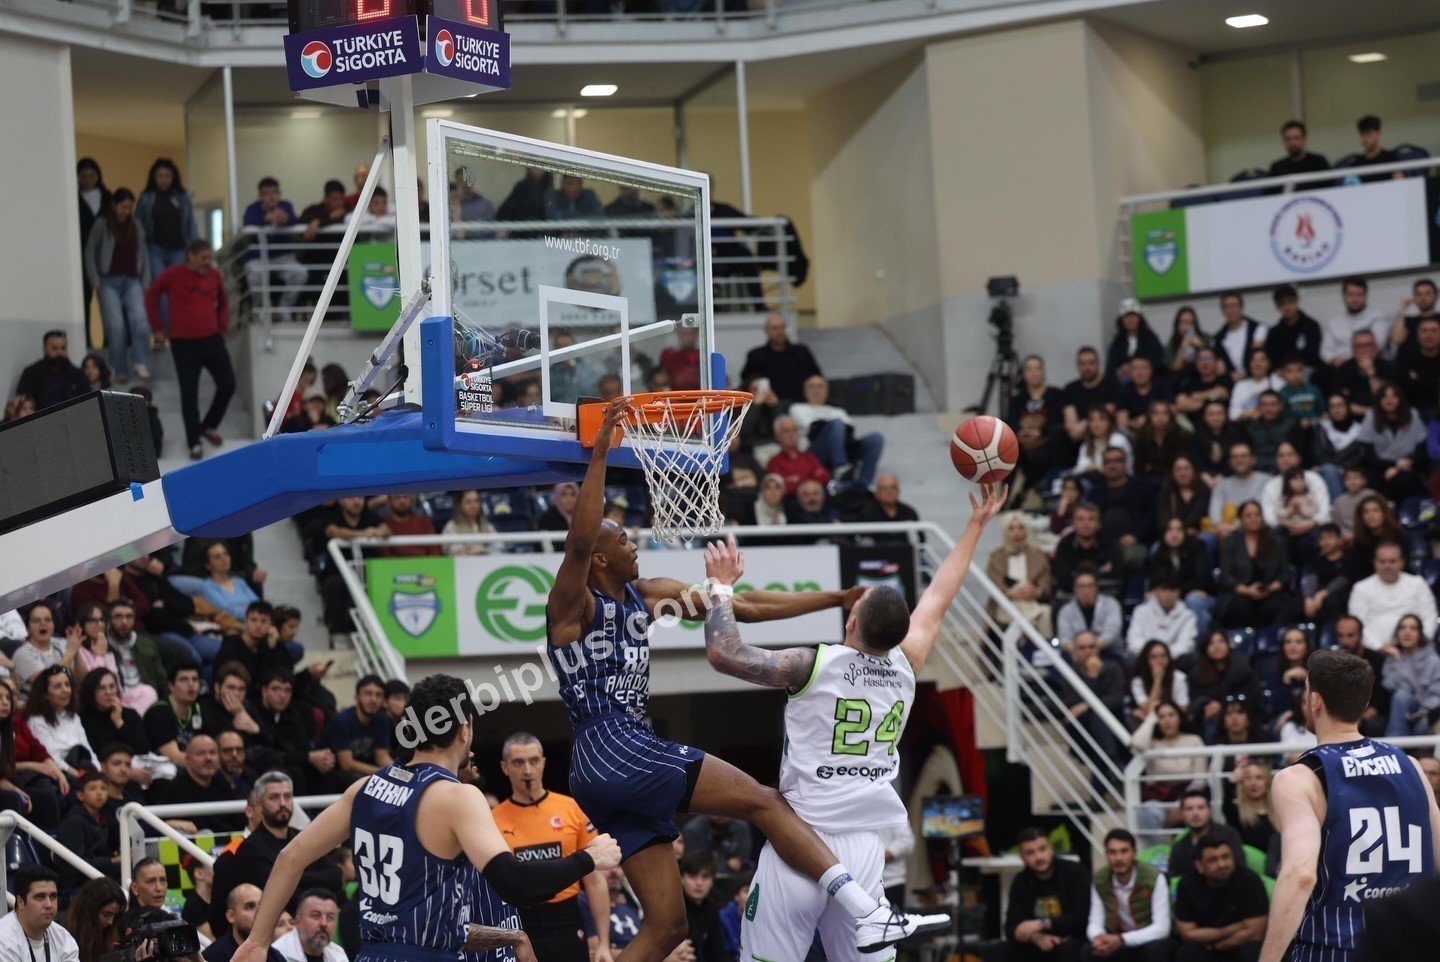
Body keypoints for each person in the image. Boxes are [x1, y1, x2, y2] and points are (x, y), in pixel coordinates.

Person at [546, 402, 946, 962]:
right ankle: (868, 911)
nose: (633, 540)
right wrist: (600, 456)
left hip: (613, 765)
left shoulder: (647, 593)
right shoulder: (572, 605)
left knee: (666, 928)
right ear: (600, 560)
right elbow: (579, 543)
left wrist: (831, 599)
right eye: (623, 538)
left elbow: (744, 608)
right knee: (767, 802)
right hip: (613, 745)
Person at [704, 483, 1002, 962]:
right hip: (863, 850)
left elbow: (725, 653)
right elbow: (941, 594)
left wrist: (721, 587)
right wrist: (974, 527)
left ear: (851, 621)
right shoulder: (909, 663)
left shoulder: (814, 663)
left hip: (798, 839)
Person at [231, 675, 621, 962]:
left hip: (372, 954)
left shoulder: (364, 787)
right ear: (465, 731)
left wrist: (256, 942)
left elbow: (290, 858)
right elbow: (517, 884)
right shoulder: (457, 796)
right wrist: (590, 858)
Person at [1257, 649, 1440, 962]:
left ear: (1315, 701)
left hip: (1336, 949)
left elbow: (1300, 875)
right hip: (1410, 946)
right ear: (1364, 703)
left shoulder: (1299, 778)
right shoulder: (1411, 766)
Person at [490, 732, 611, 962]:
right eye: (518, 762)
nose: (527, 770)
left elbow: (595, 881)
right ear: (504, 767)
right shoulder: (493, 819)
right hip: (521, 921)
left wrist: (604, 943)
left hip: (567, 918)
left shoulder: (571, 808)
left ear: (543, 762)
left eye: (534, 761)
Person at [210, 772, 346, 938]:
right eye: (274, 797)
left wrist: (291, 875)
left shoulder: (301, 836)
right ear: (259, 805)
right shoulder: (250, 849)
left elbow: (336, 876)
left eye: (287, 796)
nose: (283, 803)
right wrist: (305, 875)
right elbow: (286, 898)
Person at [145, 238, 233, 459]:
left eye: (210, 257)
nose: (207, 262)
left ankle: (208, 425)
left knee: (228, 384)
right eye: (203, 258)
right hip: (184, 343)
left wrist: (221, 327)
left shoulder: (214, 276)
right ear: (190, 255)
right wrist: (157, 326)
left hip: (211, 339)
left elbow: (223, 302)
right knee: (189, 393)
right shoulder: (174, 275)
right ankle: (194, 441)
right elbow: (151, 295)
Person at [84, 187, 154, 383]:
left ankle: (141, 362)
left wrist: (145, 281)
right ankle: (118, 367)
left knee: (140, 320)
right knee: (116, 325)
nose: (126, 211)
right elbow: (90, 251)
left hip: (132, 280)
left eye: (129, 207)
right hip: (108, 280)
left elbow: (144, 254)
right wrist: (94, 278)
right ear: (114, 205)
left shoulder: (136, 226)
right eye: (123, 206)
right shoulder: (102, 224)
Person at [1173, 838, 1268, 962]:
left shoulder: (1250, 880)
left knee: (1253, 949)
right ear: (1199, 866)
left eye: (1226, 857)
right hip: (1204, 949)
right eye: (1213, 860)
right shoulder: (1186, 885)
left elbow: (1255, 933)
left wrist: (1217, 946)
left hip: (1237, 946)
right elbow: (1188, 934)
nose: (1222, 864)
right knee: (1186, 953)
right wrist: (1232, 929)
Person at [1003, 827, 1090, 961]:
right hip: (1038, 940)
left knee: (1069, 951)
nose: (1038, 857)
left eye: (1042, 849)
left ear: (1051, 849)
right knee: (1000, 950)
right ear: (1022, 857)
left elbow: (1081, 917)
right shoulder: (1020, 881)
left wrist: (1042, 923)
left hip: (1073, 938)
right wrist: (1035, 937)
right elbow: (1011, 927)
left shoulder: (1075, 872)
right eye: (1030, 853)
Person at [1084, 829, 1171, 962]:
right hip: (1115, 939)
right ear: (1106, 855)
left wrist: (1122, 939)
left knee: (1157, 950)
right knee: (1089, 951)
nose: (1118, 858)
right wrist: (1099, 938)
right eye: (1112, 852)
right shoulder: (1100, 879)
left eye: (1124, 851)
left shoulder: (1154, 878)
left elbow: (1162, 928)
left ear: (1134, 853)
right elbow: (1095, 920)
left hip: (1146, 939)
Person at [788, 375, 885, 487]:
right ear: (805, 392)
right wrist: (835, 427)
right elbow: (813, 428)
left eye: (820, 387)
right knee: (836, 423)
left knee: (876, 438)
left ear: (827, 391)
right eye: (812, 387)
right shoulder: (797, 408)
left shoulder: (838, 411)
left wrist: (836, 430)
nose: (816, 390)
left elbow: (849, 431)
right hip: (815, 452)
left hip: (841, 447)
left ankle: (862, 485)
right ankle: (840, 466)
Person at [1217, 502, 1297, 628]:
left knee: (1276, 606)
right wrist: (1247, 591)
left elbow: (1285, 575)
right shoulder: (1231, 542)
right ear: (1241, 519)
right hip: (1240, 592)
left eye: (1257, 514)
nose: (1253, 519)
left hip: (1269, 591)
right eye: (1248, 515)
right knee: (1240, 607)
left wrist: (1269, 589)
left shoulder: (1275, 541)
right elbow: (1225, 577)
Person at [1348, 541, 1437, 650]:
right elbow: (1356, 626)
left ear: (1402, 562)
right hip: (1374, 652)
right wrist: (1378, 646)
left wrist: (1420, 642)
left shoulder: (1418, 584)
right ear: (1374, 562)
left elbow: (1430, 617)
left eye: (1392, 561)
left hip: (1417, 649)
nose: (1387, 566)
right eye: (1382, 561)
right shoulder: (1361, 588)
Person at [242, 178, 307, 315]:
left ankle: (284, 309)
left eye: (274, 193)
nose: (271, 197)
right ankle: (259, 311)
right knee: (255, 274)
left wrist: (285, 219)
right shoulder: (252, 208)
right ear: (260, 196)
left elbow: (295, 220)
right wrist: (267, 218)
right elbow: (248, 222)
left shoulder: (286, 205)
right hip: (258, 257)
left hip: (283, 257)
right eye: (266, 193)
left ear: (280, 194)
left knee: (300, 273)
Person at [985, 513, 1054, 638]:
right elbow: (994, 583)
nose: (1016, 533)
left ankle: (1046, 653)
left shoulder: (1037, 555)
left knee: (1046, 613)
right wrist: (1011, 593)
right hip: (1006, 603)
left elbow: (1045, 584)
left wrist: (1035, 592)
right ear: (1005, 532)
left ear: (1026, 532)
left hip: (1033, 601)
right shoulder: (996, 556)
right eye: (1011, 528)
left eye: (1020, 528)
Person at [1005, 355, 1068, 492]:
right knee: (1007, 452)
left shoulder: (1056, 394)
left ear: (1043, 372)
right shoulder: (1018, 399)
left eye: (1037, 369)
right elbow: (1011, 421)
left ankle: (1023, 492)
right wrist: (1020, 432)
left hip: (1047, 446)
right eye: (1029, 369)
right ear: (1024, 374)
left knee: (1045, 452)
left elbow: (1058, 419)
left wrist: (1040, 432)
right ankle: (1003, 499)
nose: (1034, 373)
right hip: (1022, 445)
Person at [320, 675, 394, 783]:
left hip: (362, 769)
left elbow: (382, 757)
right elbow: (346, 764)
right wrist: (382, 773)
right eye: (368, 693)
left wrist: (397, 772)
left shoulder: (381, 718)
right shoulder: (342, 719)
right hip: (333, 772)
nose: (373, 699)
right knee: (360, 780)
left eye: (378, 695)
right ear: (357, 697)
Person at [0, 866, 81, 962]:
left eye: (53, 896)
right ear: (20, 902)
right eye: (40, 897)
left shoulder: (63, 937)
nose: (49, 905)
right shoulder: (3, 940)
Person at [1380, 613, 1440, 738]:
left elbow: (1436, 692)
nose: (1407, 633)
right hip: (1400, 709)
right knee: (1401, 696)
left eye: (1413, 628)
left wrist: (1424, 710)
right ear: (1397, 633)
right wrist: (1398, 659)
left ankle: (1395, 748)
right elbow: (1392, 686)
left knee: (1421, 724)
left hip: (1427, 711)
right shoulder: (1392, 659)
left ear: (1420, 634)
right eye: (1402, 628)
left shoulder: (1432, 659)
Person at [739, 314, 822, 405]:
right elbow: (747, 378)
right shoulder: (756, 355)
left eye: (782, 327)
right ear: (766, 331)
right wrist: (755, 383)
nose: (780, 332)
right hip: (771, 405)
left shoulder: (801, 351)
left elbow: (816, 375)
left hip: (802, 402)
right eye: (775, 328)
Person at [1168, 789, 1245, 886]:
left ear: (1209, 810)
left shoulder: (1229, 835)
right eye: (1189, 809)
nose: (1195, 813)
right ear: (1182, 813)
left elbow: (1239, 868)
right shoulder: (1179, 846)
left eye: (1200, 808)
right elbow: (1174, 877)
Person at [205, 884, 288, 962]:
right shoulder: (213, 956)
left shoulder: (275, 956)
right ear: (231, 916)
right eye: (250, 907)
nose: (259, 912)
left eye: (261, 906)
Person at [1125, 574, 1197, 661]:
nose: (1168, 594)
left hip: (1173, 660)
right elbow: (1133, 641)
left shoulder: (1188, 615)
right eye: (1164, 589)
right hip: (1145, 660)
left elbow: (1185, 645)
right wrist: (1153, 655)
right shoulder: (1141, 611)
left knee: (1192, 659)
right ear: (1155, 591)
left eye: (1172, 590)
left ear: (1179, 592)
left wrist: (1162, 656)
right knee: (1129, 660)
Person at [13, 330, 87, 413]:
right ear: (45, 349)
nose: (59, 352)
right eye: (55, 348)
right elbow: (22, 405)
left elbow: (87, 404)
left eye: (63, 348)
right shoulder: (31, 374)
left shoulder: (78, 375)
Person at [1322, 278, 1390, 367]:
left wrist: (1352, 362)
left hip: (1371, 363)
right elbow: (1325, 350)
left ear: (1366, 295)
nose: (1355, 298)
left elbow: (1378, 346)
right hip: (1340, 365)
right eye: (1351, 294)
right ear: (1344, 296)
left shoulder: (1378, 317)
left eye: (1359, 294)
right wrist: (1335, 360)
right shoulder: (1334, 322)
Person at [1061, 346, 1117, 445]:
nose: (1087, 368)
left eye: (1091, 363)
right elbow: (1069, 420)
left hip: (1104, 432)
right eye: (1082, 364)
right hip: (1077, 436)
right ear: (1077, 365)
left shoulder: (1111, 384)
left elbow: (1107, 413)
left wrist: (1085, 424)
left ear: (1098, 363)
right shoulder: (1070, 388)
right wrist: (1075, 429)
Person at [1056, 570, 1123, 650]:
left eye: (1089, 586)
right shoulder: (1065, 610)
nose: (1085, 590)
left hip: (1108, 651)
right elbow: (1064, 638)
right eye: (1081, 586)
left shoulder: (1111, 604)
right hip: (1075, 654)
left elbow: (1112, 632)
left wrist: (1090, 649)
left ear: (1097, 588)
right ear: (1074, 589)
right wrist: (1081, 652)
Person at [273, 890, 346, 962]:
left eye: (330, 917)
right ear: (298, 922)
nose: (324, 923)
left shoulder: (338, 953)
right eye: (316, 915)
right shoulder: (276, 955)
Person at [68, 877, 127, 962]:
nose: (110, 922)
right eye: (106, 914)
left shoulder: (113, 935)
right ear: (89, 909)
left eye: (116, 916)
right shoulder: (66, 938)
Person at [1266, 285, 1324, 370]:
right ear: (1277, 307)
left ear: (1297, 301)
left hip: (1307, 370)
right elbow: (1272, 359)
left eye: (1290, 301)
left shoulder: (1311, 326)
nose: (1287, 306)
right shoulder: (1274, 333)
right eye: (1282, 303)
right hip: (1283, 373)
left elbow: (1314, 355)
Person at [1106, 300, 1166, 380]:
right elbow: (1110, 367)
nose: (1130, 319)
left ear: (1139, 318)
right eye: (1127, 316)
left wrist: (1138, 367)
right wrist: (1120, 370)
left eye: (1133, 316)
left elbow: (1159, 362)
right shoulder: (1117, 342)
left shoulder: (1151, 338)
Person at [1388, 277, 1439, 349]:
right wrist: (1402, 309)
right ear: (1414, 298)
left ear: (1436, 296)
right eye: (1418, 294)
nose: (1423, 298)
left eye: (1427, 293)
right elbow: (1396, 339)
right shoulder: (1409, 321)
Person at [1350, 115, 1402, 183]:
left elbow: (1400, 184)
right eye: (1362, 134)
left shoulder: (1391, 158)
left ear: (1378, 134)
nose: (1365, 138)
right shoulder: (1356, 163)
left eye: (1369, 133)